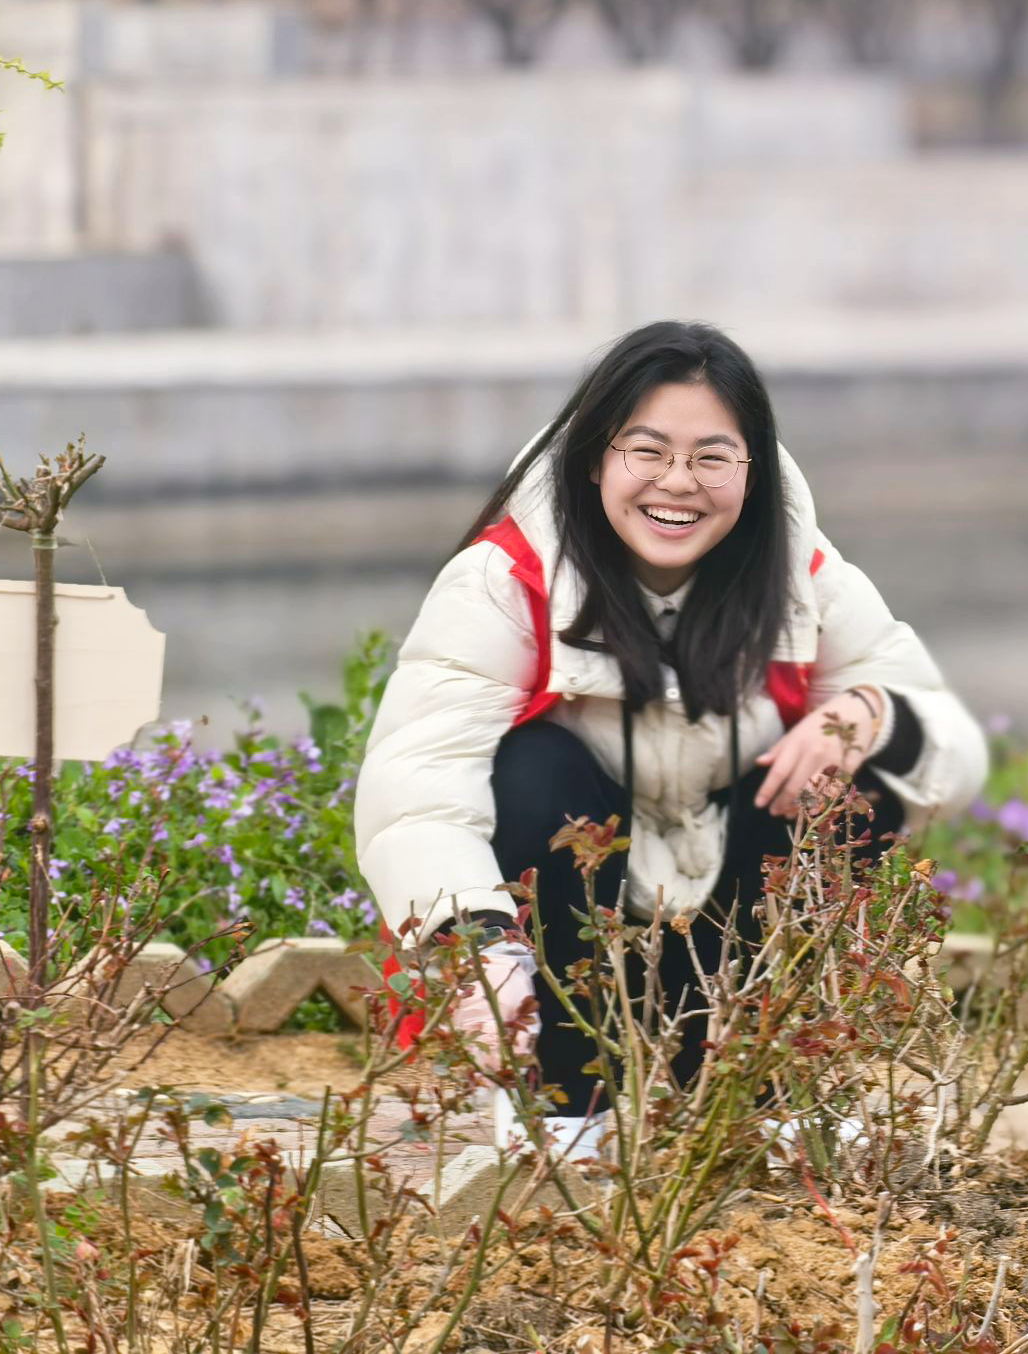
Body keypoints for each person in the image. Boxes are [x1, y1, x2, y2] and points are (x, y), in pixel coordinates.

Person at [353, 320, 988, 1116]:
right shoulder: (505, 578)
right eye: (647, 451)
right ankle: (565, 1101)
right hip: (563, 960)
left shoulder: (804, 575)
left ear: (752, 471)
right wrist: (474, 946)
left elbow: (954, 748)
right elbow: (418, 788)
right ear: (596, 457)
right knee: (534, 769)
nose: (678, 483)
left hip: (724, 943)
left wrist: (870, 714)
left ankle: (753, 1090)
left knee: (862, 780)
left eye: (711, 457)